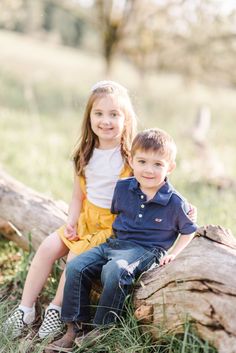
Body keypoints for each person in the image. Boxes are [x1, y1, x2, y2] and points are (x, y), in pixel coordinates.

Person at [3, 80, 137, 339]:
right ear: (89, 117)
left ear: (126, 120)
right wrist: (72, 222)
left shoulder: (129, 157)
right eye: (98, 113)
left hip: (111, 228)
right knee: (47, 248)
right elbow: (78, 196)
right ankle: (25, 309)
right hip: (87, 218)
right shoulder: (85, 154)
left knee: (74, 258)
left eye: (114, 114)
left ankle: (55, 308)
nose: (105, 121)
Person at [47, 128, 198, 352]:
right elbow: (114, 215)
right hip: (115, 243)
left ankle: (103, 328)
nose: (149, 169)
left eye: (158, 164)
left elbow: (188, 230)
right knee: (76, 265)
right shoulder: (123, 188)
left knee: (116, 270)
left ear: (170, 167)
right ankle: (74, 328)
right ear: (131, 161)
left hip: (147, 249)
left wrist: (174, 253)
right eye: (143, 161)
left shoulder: (175, 202)